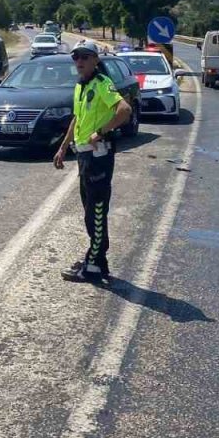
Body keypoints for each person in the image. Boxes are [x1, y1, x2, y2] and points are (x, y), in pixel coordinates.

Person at [53, 39, 131, 283]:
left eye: (85, 57)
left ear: (96, 60)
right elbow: (78, 118)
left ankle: (93, 264)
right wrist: (64, 147)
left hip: (99, 156)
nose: (79, 61)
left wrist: (102, 132)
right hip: (85, 155)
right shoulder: (81, 86)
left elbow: (125, 110)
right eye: (76, 57)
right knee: (90, 210)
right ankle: (97, 260)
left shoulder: (102, 84)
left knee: (96, 212)